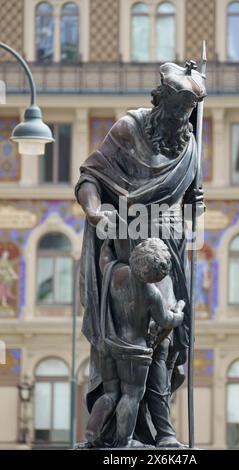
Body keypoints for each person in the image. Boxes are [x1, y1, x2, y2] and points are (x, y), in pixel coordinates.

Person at [75, 60, 206, 446]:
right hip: (128, 247)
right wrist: (94, 209)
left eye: (187, 114)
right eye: (175, 111)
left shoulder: (191, 142)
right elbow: (90, 177)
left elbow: (193, 197)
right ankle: (118, 436)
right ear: (160, 101)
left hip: (170, 253)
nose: (180, 121)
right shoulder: (128, 129)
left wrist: (194, 216)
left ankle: (164, 435)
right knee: (129, 339)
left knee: (165, 344)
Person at [85, 238, 185, 448]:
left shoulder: (116, 272)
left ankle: (92, 431)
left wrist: (107, 244)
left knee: (111, 393)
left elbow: (104, 259)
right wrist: (179, 314)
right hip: (134, 352)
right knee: (131, 395)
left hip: (108, 343)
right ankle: (125, 441)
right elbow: (166, 321)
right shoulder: (152, 294)